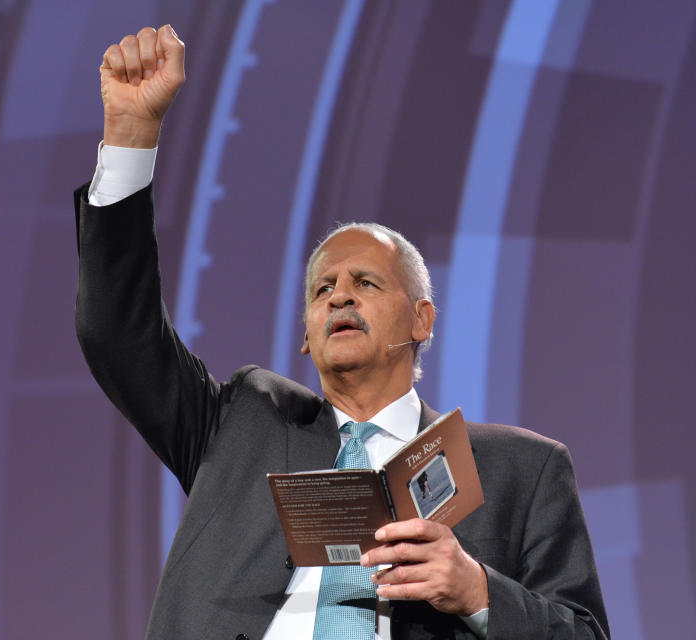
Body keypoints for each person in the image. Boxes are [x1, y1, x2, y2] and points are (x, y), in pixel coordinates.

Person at [75, 24, 609, 640]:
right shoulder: (242, 424)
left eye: (366, 282)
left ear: (422, 318)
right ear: (307, 335)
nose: (340, 295)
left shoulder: (521, 467)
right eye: (322, 290)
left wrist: (478, 590)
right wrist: (131, 136)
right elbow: (116, 334)